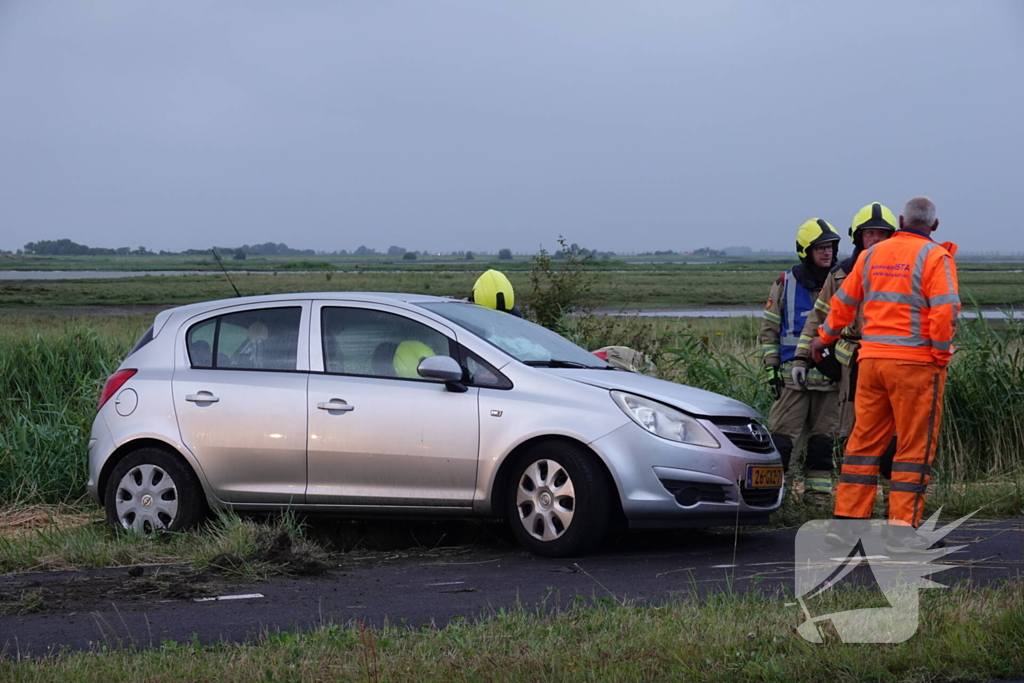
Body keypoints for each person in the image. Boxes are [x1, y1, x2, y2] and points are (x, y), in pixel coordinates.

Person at [819, 197, 959, 553]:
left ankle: (847, 525)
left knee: (863, 444)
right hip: (915, 366)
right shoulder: (935, 257)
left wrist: (824, 338)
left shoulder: (870, 256)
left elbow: (843, 304)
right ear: (935, 225)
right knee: (913, 449)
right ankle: (901, 534)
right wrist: (941, 355)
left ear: (900, 220)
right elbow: (944, 312)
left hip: (871, 364)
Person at [792, 203, 900, 491]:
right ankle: (855, 516)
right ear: (858, 237)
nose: (875, 239)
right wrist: (802, 358)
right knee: (854, 441)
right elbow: (818, 319)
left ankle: (895, 514)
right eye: (870, 233)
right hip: (852, 372)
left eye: (882, 234)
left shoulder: (903, 272)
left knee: (893, 444)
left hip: (893, 366)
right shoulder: (840, 275)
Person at [759, 218, 842, 504]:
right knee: (783, 441)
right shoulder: (785, 282)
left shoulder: (844, 281)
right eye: (819, 248)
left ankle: (817, 501)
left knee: (823, 443)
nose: (827, 253)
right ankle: (773, 498)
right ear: (805, 251)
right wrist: (771, 369)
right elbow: (770, 329)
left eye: (830, 247)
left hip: (830, 380)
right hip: (793, 380)